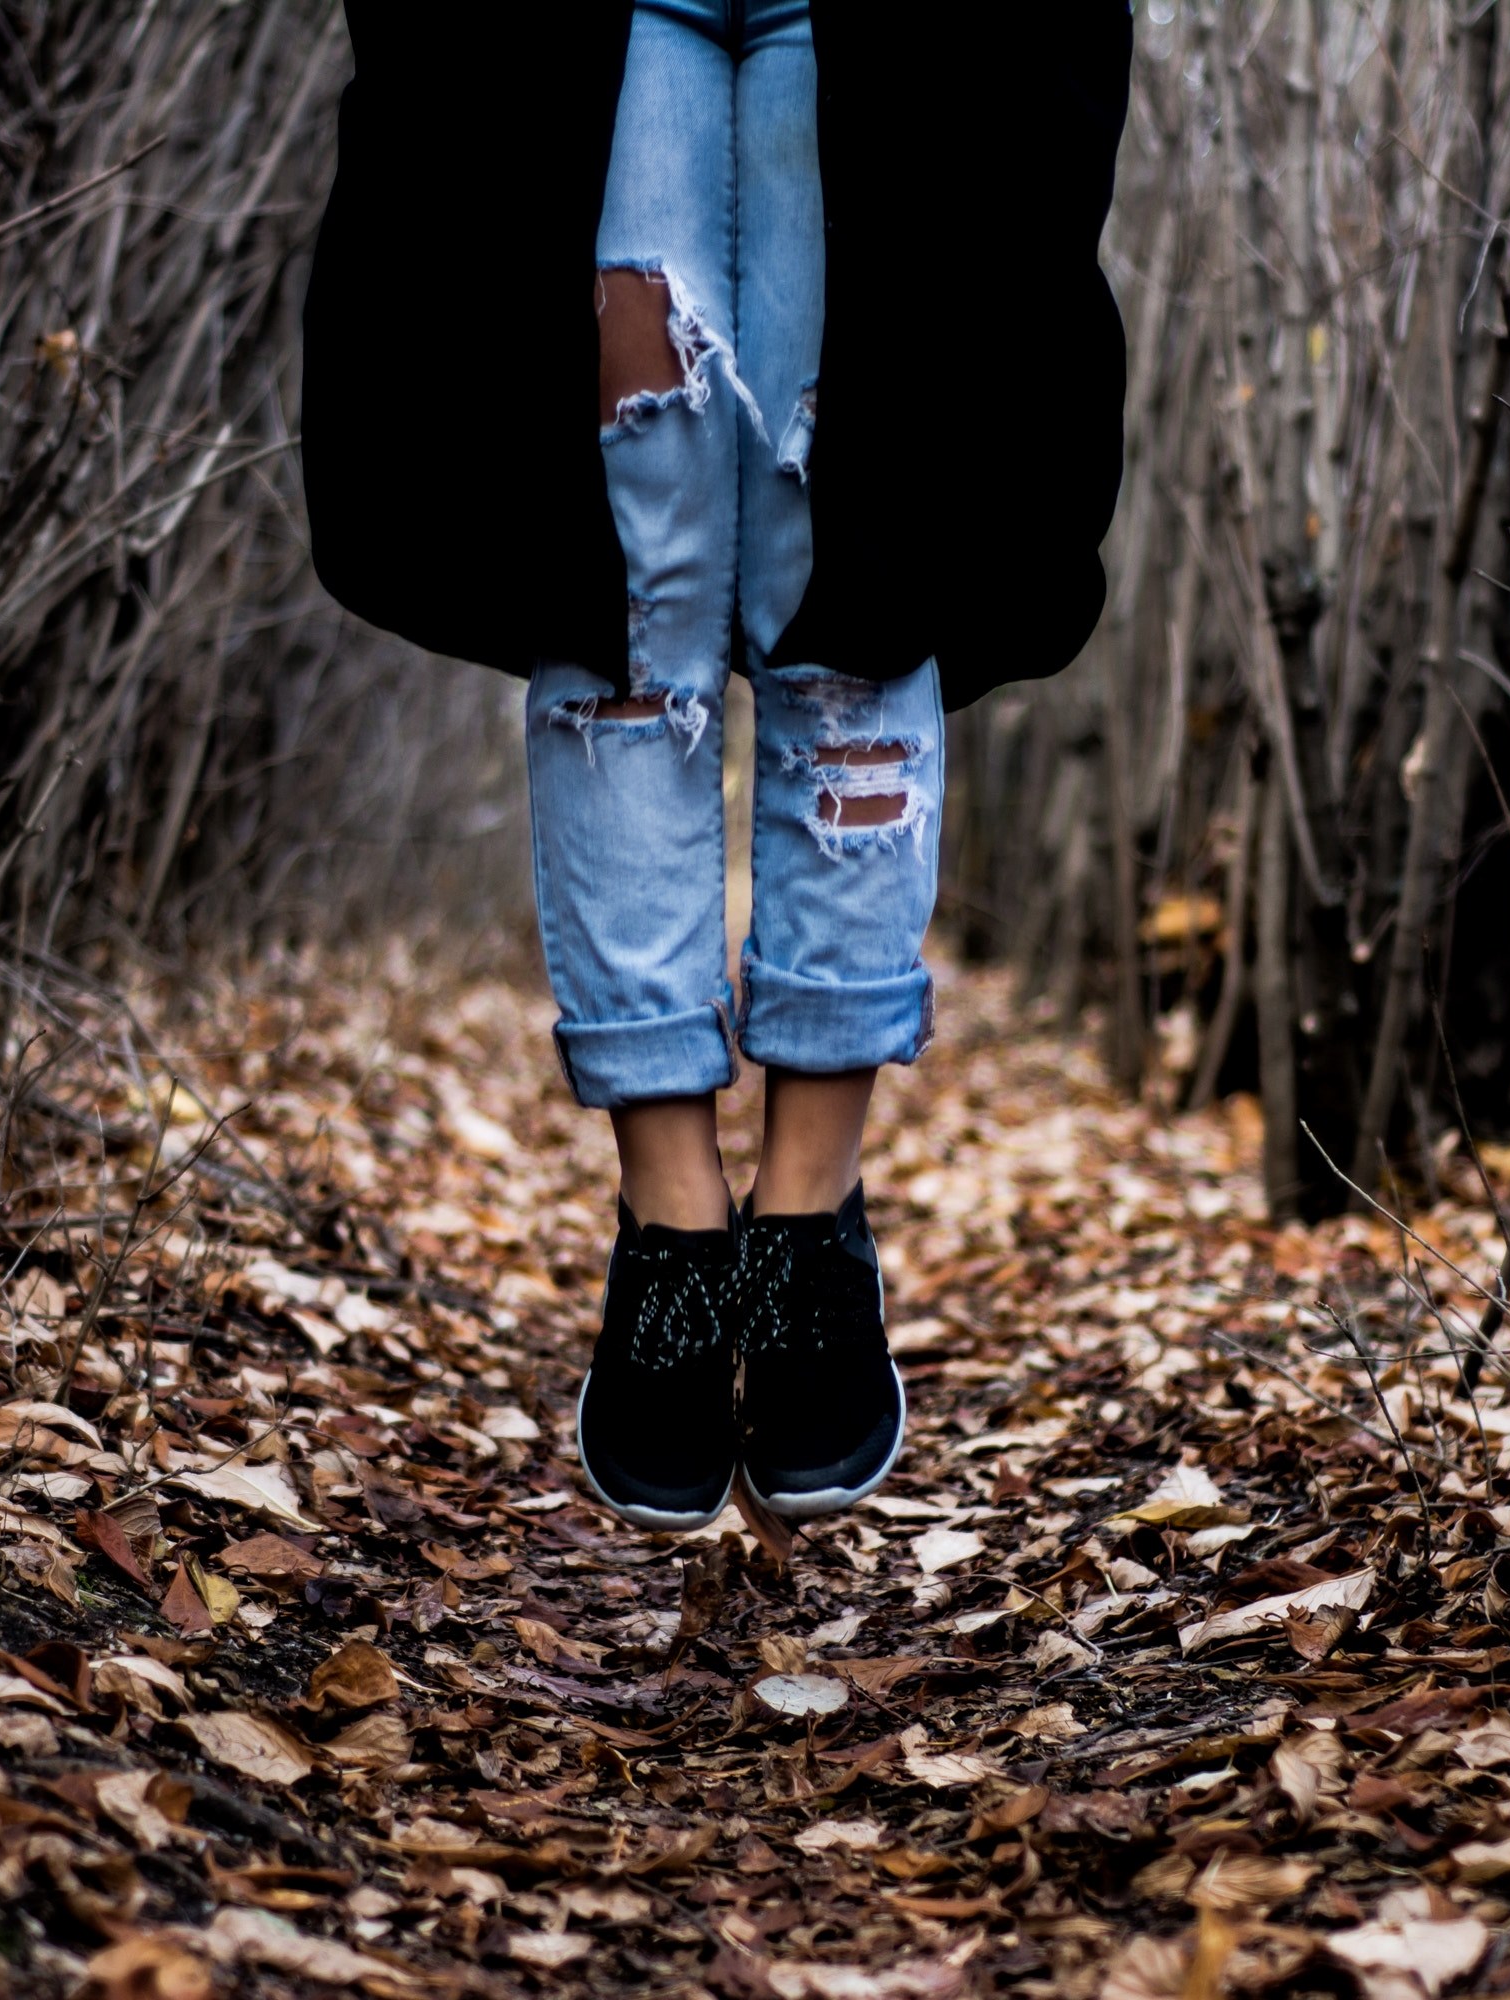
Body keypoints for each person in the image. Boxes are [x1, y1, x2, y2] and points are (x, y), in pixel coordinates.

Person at [304, 2, 1131, 1530]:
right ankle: (676, 1231)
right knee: (622, 610)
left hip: (900, 41)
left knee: (861, 600)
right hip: (603, 24)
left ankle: (806, 1229)